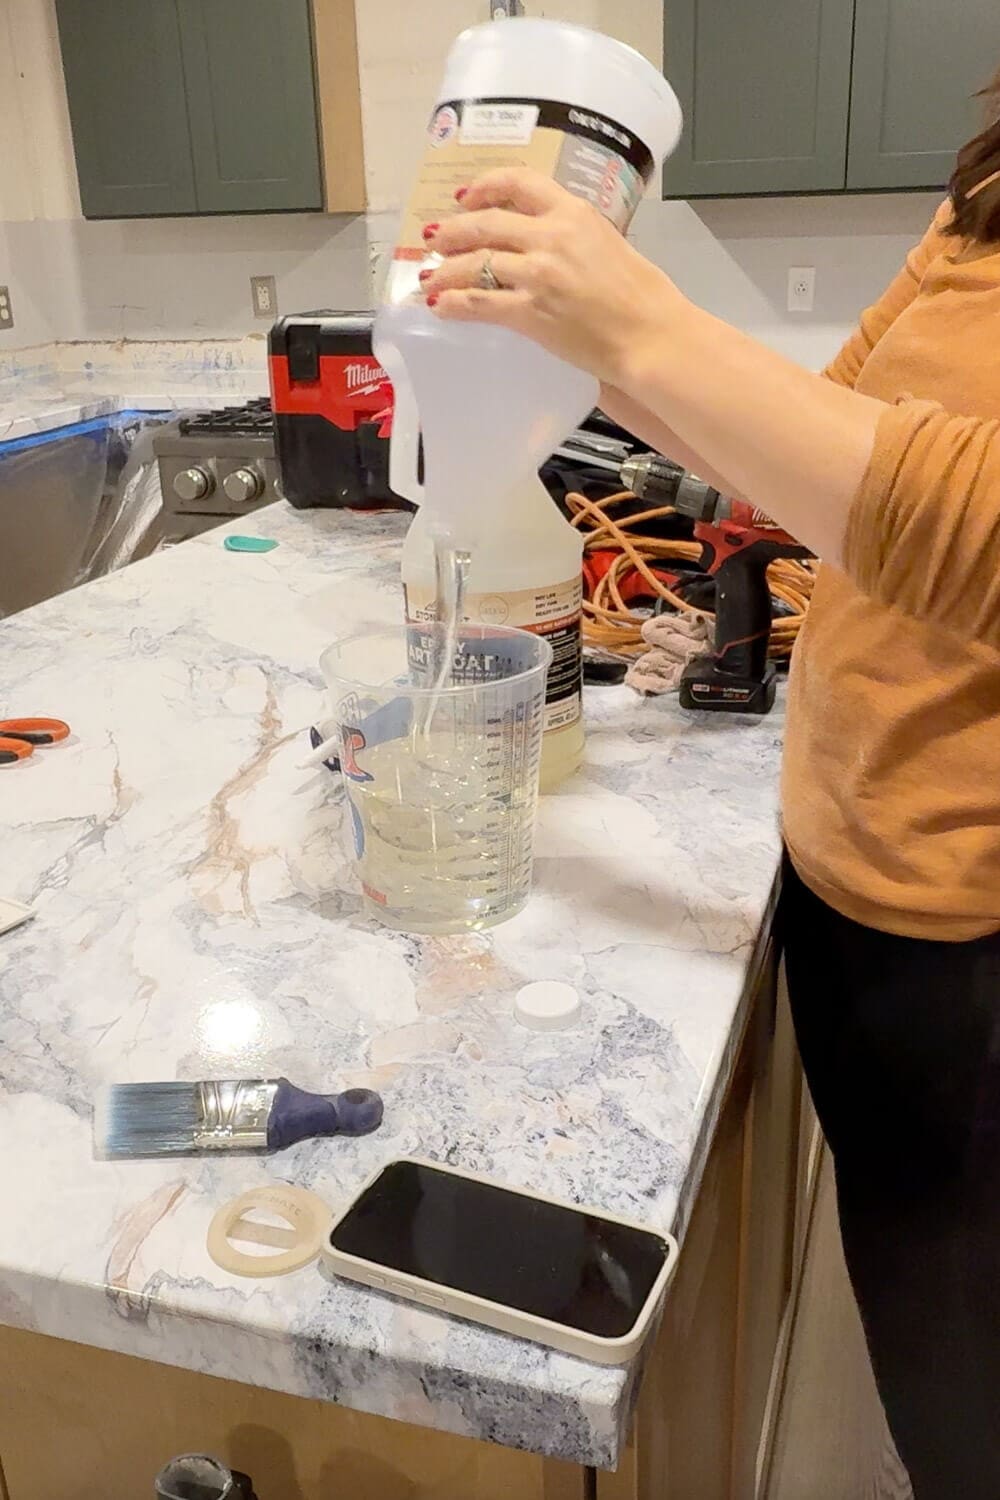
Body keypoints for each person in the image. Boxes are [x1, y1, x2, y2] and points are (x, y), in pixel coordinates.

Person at [418, 69, 1000, 1500]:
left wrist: (644, 323)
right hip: (869, 891)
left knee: (973, 1416)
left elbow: (974, 523)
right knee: (941, 1371)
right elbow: (840, 442)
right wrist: (575, 339)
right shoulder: (990, 183)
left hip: (978, 946)